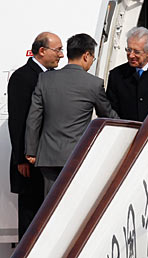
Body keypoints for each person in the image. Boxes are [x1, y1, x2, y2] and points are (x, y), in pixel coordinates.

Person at [25, 33, 119, 196]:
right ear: (86, 55)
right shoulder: (93, 84)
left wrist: (31, 151)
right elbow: (108, 115)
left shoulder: (45, 79)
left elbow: (34, 117)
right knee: (74, 203)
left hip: (48, 156)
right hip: (77, 156)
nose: (91, 62)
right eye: (92, 58)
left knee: (51, 205)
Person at [7, 32, 64, 240]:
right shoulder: (23, 77)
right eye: (57, 50)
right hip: (29, 162)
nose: (61, 55)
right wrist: (22, 159)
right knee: (30, 215)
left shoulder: (51, 77)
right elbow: (18, 121)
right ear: (42, 51)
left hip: (48, 159)